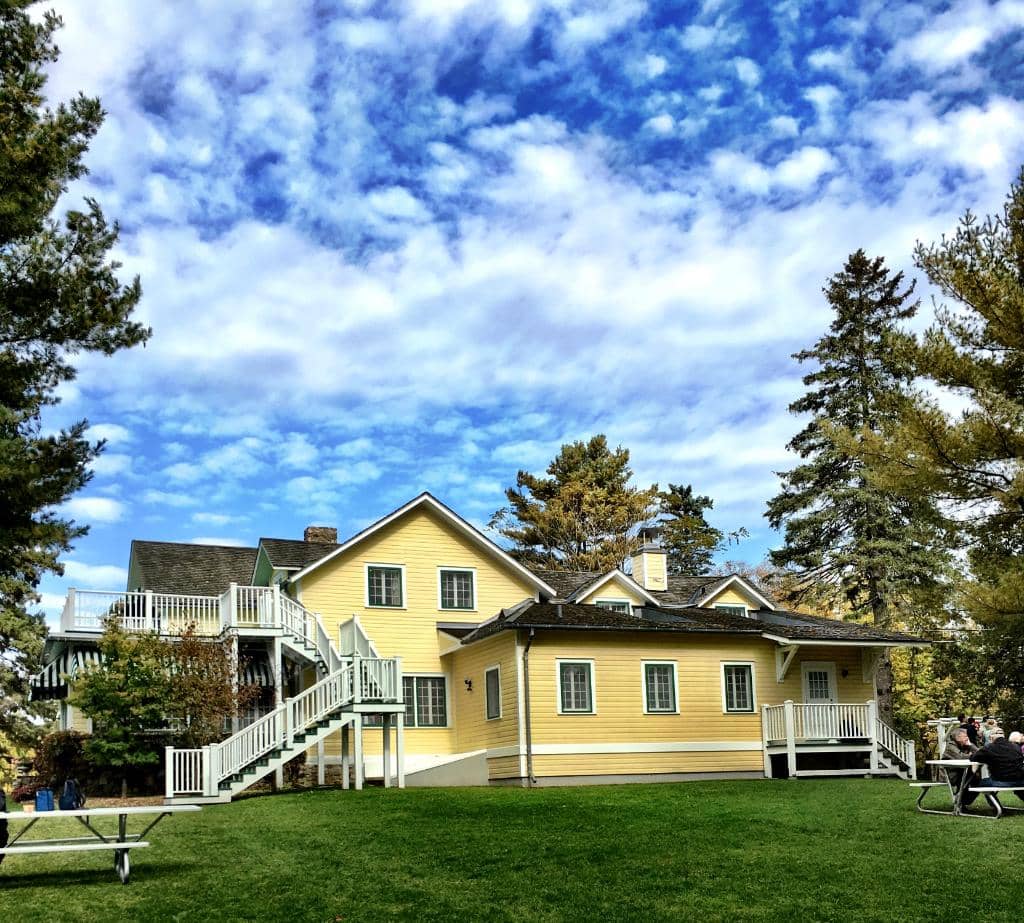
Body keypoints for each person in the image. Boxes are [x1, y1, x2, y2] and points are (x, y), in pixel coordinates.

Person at [970, 728, 1024, 803]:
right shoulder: (1016, 747)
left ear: (991, 737)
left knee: (981, 782)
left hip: (1000, 781)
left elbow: (974, 757)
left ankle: (996, 807)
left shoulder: (989, 748)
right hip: (1020, 780)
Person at [943, 727, 980, 808]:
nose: (967, 738)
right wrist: (971, 755)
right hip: (951, 775)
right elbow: (961, 757)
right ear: (957, 738)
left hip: (963, 772)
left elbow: (980, 754)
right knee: (971, 777)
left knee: (978, 780)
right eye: (965, 736)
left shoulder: (966, 745)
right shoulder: (950, 746)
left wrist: (971, 745)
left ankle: (962, 801)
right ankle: (960, 802)